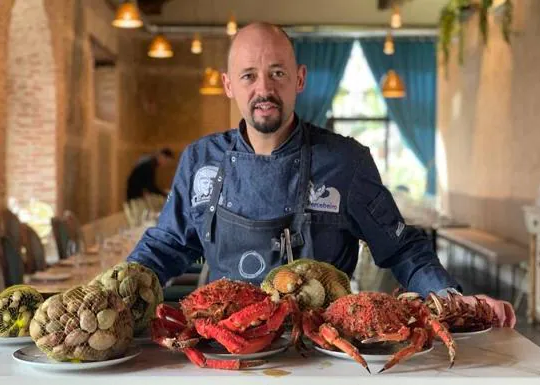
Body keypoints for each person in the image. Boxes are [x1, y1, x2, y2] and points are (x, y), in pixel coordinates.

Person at [126, 22, 516, 328]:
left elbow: (402, 249)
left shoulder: (346, 162)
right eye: (248, 76)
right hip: (222, 347)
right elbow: (166, 247)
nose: (264, 89)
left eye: (277, 72)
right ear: (228, 85)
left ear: (299, 78)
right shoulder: (200, 160)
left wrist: (451, 298)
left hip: (321, 354)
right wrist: (115, 291)